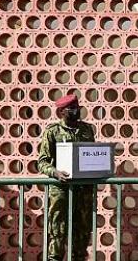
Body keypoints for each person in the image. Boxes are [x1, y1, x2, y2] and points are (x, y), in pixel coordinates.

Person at [37, 94, 95, 261]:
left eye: (78, 108)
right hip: (61, 191)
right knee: (57, 231)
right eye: (72, 109)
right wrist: (55, 172)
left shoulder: (87, 129)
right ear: (62, 112)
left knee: (82, 233)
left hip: (83, 191)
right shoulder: (53, 131)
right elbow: (42, 162)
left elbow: (91, 156)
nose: (76, 112)